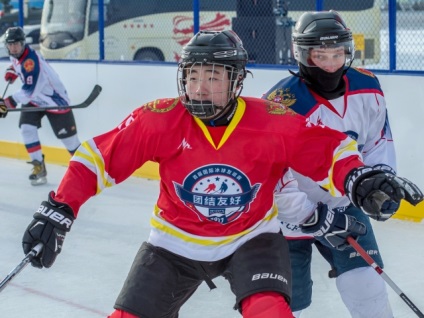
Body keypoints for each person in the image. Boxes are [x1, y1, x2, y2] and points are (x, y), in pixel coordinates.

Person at [19, 30, 422, 318]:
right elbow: (96, 159)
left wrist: (359, 177)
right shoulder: (160, 118)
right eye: (192, 75)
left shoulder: (270, 119)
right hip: (173, 244)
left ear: (235, 81)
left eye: (213, 77)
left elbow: (328, 149)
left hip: (251, 239)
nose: (199, 87)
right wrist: (59, 209)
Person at [262, 10, 404, 318]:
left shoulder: (368, 87)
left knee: (368, 288)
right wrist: (309, 214)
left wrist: (380, 183)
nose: (329, 64)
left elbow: (378, 141)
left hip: (343, 204)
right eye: (319, 55)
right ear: (302, 54)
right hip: (285, 218)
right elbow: (271, 174)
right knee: (285, 305)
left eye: (337, 53)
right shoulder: (280, 104)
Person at [0, 26, 81, 186]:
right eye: (10, 44)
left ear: (23, 43)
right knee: (26, 128)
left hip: (55, 101)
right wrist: (12, 71)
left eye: (16, 44)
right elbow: (18, 66)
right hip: (36, 100)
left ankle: (88, 170)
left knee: (71, 142)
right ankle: (39, 167)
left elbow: (30, 90)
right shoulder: (17, 55)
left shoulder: (31, 61)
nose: (13, 47)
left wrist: (7, 103)